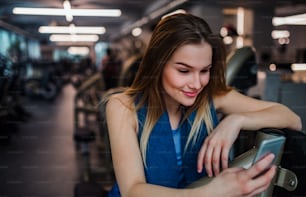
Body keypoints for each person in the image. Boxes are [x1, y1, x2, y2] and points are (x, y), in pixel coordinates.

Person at [104, 13, 302, 197]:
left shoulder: (212, 97)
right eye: (184, 71)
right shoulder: (122, 107)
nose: (196, 84)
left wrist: (236, 120)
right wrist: (211, 192)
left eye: (204, 71)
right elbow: (133, 190)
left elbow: (292, 118)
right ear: (158, 65)